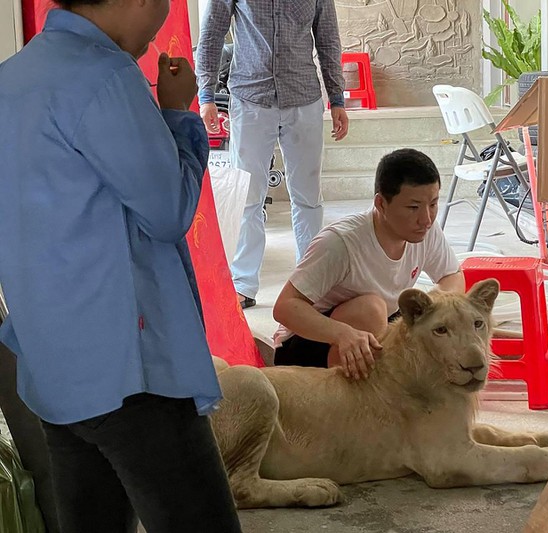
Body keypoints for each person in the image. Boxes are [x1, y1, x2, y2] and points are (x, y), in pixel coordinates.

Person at [0, 4, 241, 533]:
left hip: (54, 360)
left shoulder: (12, 78)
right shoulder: (105, 76)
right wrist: (177, 115)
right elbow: (168, 211)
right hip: (129, 368)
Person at [195, 0, 349, 309]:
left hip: (303, 98)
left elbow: (328, 39)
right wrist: (206, 95)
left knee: (307, 196)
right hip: (250, 98)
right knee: (248, 196)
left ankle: (309, 281)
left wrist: (337, 98)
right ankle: (243, 282)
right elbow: (212, 32)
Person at [272, 149, 465, 380]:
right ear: (381, 204)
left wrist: (434, 310)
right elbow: (285, 307)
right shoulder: (340, 243)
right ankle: (349, 396)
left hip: (374, 328)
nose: (426, 219)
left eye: (433, 204)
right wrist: (342, 334)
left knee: (428, 315)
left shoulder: (426, 230)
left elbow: (452, 275)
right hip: (309, 345)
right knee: (371, 309)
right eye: (413, 207)